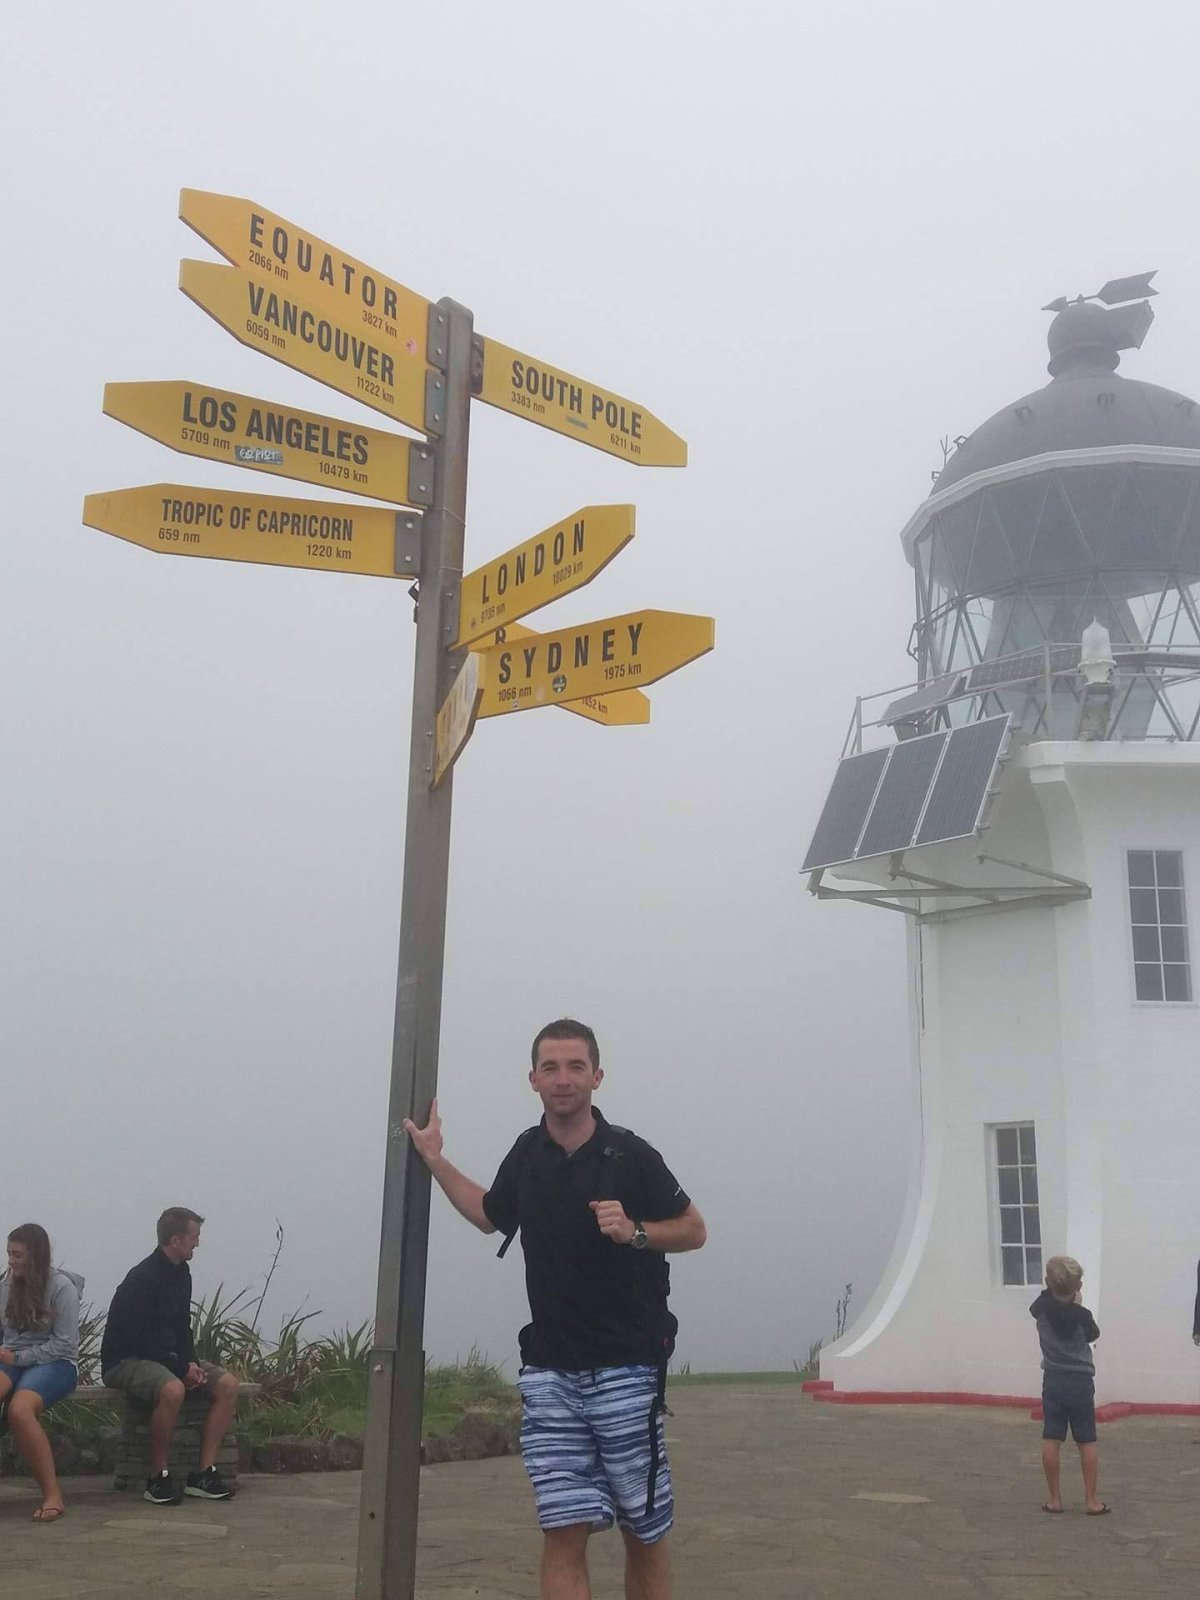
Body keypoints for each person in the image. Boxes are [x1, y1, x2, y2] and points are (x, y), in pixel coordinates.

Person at [405, 1017, 707, 1600]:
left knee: (643, 1530)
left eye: (574, 1067)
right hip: (550, 1371)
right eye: (550, 1067)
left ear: (597, 1075)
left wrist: (635, 1231)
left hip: (627, 1367)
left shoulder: (631, 1154)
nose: (562, 1079)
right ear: (533, 1079)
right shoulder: (527, 1153)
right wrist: (437, 1160)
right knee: (562, 1529)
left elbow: (694, 1230)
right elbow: (491, 1214)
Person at [101, 1207, 240, 1505]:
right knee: (173, 1389)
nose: (198, 1244)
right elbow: (139, 1339)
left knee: (228, 1384)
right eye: (194, 1237)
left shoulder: (182, 1273)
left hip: (167, 1357)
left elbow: (181, 1325)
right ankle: (158, 1477)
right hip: (125, 1360)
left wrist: (190, 1362)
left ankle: (203, 1473)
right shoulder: (142, 1278)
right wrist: (180, 1369)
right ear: (175, 1240)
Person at [0, 1223, 83, 1522]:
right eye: (9, 1254)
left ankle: (52, 1494)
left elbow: (65, 1345)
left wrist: (20, 1357)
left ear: (36, 1254)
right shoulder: (6, 1287)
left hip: (56, 1363)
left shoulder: (62, 1288)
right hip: (12, 1357)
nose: (11, 1261)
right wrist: (11, 1356)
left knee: (20, 1410)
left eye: (17, 1255)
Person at [1030, 1254, 1107, 1515]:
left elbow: (1040, 1303)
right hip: (1080, 1381)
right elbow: (1093, 1334)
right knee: (1086, 1441)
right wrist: (1077, 1304)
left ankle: (1054, 1498)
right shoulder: (1082, 1316)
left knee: (1052, 1437)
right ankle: (1091, 1500)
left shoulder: (1041, 1310)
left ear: (1048, 1284)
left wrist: (1052, 1291)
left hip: (1053, 1379)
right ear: (1078, 1287)